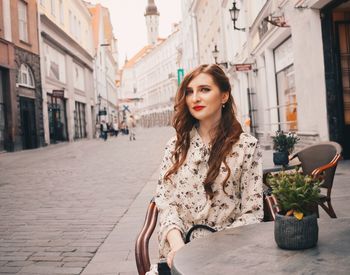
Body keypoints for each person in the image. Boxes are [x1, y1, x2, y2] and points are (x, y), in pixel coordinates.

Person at [147, 64, 263, 274]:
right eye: (190, 92)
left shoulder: (246, 146)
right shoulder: (175, 146)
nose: (195, 98)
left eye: (204, 90)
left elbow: (252, 212)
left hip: (227, 255)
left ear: (224, 96)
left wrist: (212, 248)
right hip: (178, 254)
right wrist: (177, 246)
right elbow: (166, 204)